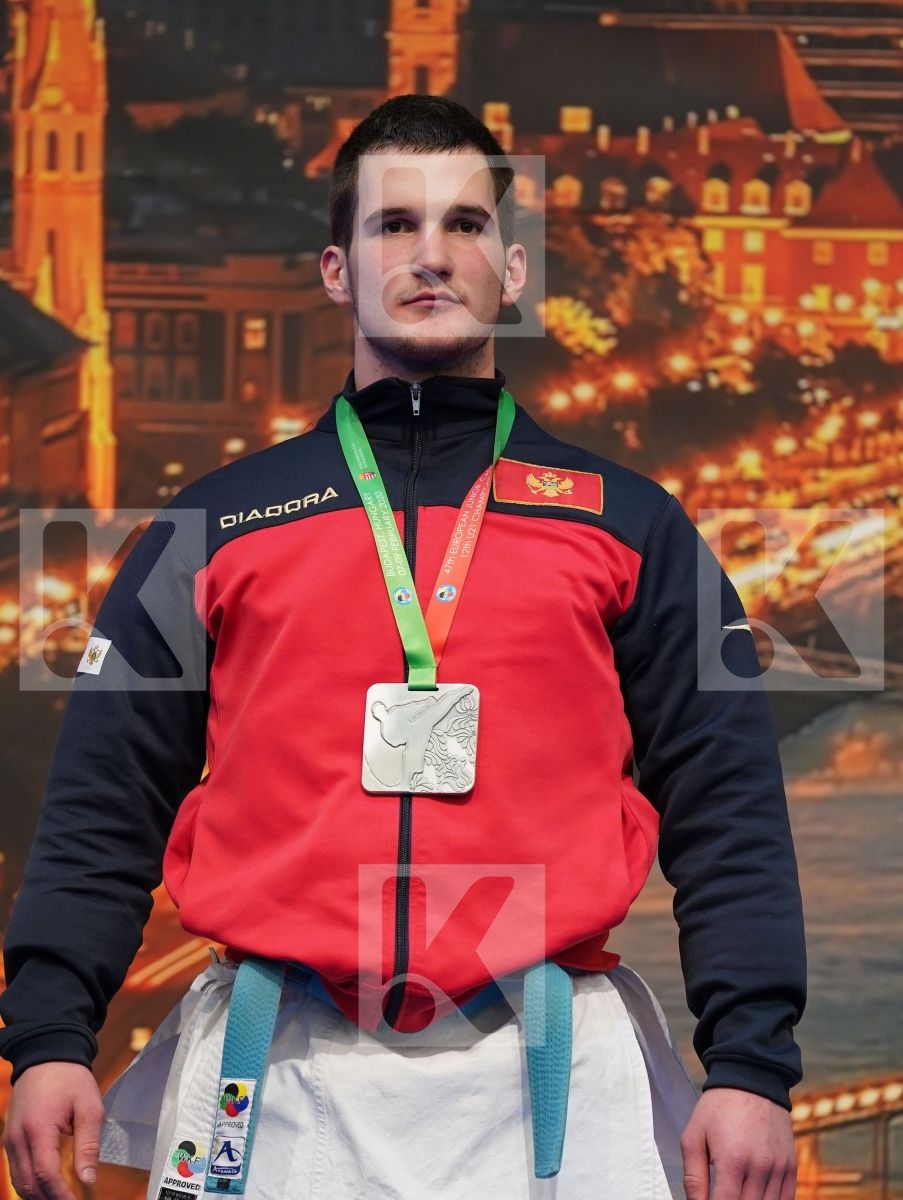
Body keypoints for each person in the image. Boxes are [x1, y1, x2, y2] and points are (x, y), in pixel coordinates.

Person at [0, 94, 805, 1200]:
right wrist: (49, 1039)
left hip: (555, 1066)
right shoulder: (211, 525)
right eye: (393, 226)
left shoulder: (631, 524)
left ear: (513, 269)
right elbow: (103, 802)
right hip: (266, 1071)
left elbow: (729, 808)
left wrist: (752, 1067)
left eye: (466, 226)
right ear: (338, 270)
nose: (432, 256)